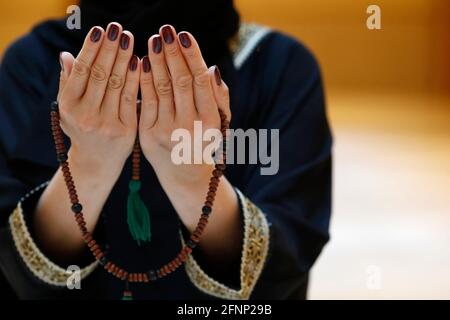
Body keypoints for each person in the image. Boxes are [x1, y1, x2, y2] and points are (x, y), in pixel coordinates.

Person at [0, 0, 332, 299]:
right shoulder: (35, 61)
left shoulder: (277, 64)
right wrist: (88, 167)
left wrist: (192, 177)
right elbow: (12, 267)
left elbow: (285, 260)